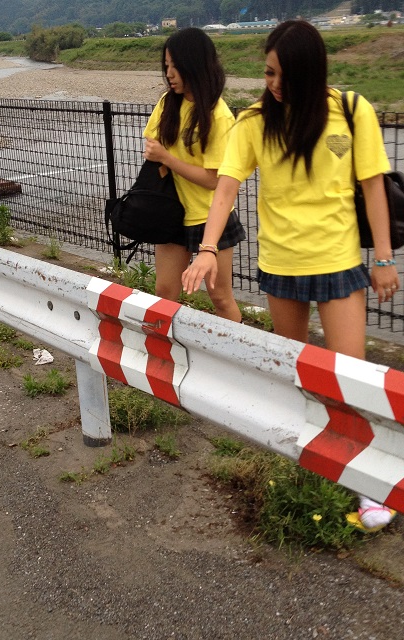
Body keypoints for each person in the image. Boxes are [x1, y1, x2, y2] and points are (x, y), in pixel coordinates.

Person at [182, 20, 399, 531]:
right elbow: (226, 187)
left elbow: (373, 186)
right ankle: (312, 461)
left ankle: (370, 486)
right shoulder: (255, 121)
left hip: (340, 264)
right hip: (281, 266)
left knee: (354, 379)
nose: (272, 83)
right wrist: (209, 247)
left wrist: (385, 258)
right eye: (267, 72)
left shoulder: (350, 110)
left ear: (307, 71)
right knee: (301, 374)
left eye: (280, 74)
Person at [143, 27, 245, 322]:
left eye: (175, 66)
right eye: (166, 66)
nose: (169, 74)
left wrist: (168, 159)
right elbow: (152, 146)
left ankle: (234, 359)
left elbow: (215, 179)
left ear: (195, 65)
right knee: (164, 291)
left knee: (221, 298)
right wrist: (160, 157)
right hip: (172, 212)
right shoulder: (167, 103)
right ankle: (161, 357)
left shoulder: (218, 114)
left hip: (209, 217)